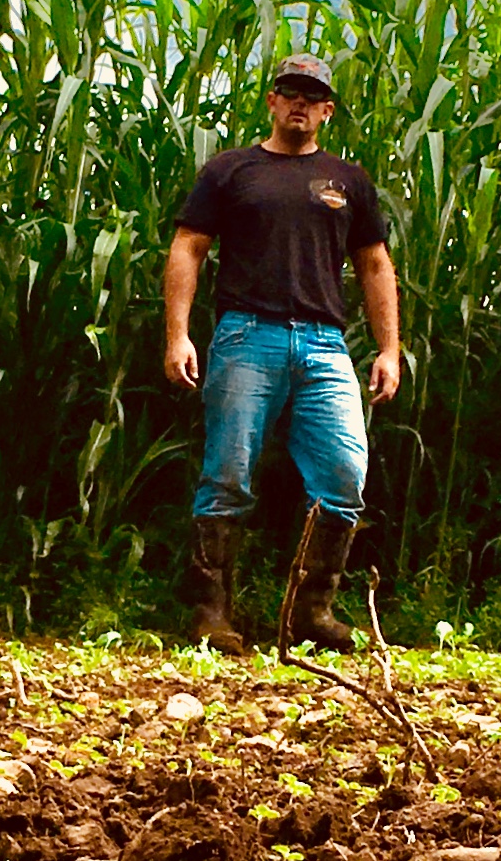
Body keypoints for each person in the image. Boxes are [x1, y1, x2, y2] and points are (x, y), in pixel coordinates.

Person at [162, 55, 401, 655]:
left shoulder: (348, 180)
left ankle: (309, 614)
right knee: (228, 474)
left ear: (327, 110)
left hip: (325, 344)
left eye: (312, 96)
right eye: (289, 93)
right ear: (272, 101)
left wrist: (389, 349)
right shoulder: (231, 170)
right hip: (247, 335)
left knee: (345, 475)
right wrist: (178, 334)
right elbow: (188, 249)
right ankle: (211, 614)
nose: (300, 104)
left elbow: (374, 264)